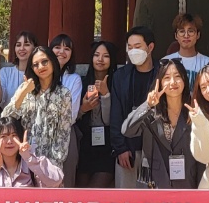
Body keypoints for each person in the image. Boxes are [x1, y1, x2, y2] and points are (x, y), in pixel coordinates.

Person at [122, 58, 200, 188]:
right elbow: (127, 130)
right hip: (154, 183)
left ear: (184, 80)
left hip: (187, 182)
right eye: (167, 78)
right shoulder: (151, 112)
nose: (173, 82)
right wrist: (147, 105)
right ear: (160, 82)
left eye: (177, 76)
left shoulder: (194, 110)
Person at [1, 45, 75, 172]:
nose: (40, 67)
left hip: (50, 162)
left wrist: (54, 165)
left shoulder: (64, 94)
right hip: (24, 158)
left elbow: (63, 133)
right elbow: (6, 118)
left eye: (44, 62)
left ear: (53, 62)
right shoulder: (25, 89)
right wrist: (23, 93)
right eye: (35, 64)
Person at [111, 26, 161, 188]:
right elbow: (116, 113)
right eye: (130, 47)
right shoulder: (120, 76)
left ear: (150, 47)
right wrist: (120, 148)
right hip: (128, 150)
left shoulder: (162, 74)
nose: (133, 51)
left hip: (157, 150)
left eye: (138, 47)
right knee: (126, 199)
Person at [0, 116, 64, 188]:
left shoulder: (33, 165)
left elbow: (56, 181)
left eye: (14, 136)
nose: (9, 141)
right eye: (3, 136)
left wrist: (28, 157)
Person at [76, 40, 117, 188]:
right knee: (81, 191)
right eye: (96, 55)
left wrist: (106, 95)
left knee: (95, 189)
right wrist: (83, 108)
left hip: (107, 145)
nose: (100, 59)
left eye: (106, 56)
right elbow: (73, 117)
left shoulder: (117, 83)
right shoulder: (81, 83)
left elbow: (109, 120)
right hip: (85, 144)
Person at [50, 33, 85, 185]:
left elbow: (72, 112)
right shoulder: (40, 76)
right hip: (40, 133)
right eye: (57, 47)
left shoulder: (74, 79)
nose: (62, 52)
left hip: (66, 133)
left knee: (66, 180)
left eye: (67, 49)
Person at [0, 30, 38, 106]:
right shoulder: (5, 72)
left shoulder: (39, 72)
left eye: (27, 45)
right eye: (18, 45)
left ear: (34, 48)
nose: (21, 48)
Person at [164, 12, 209, 85]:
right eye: (182, 31)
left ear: (198, 35)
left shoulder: (207, 63)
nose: (186, 35)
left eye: (190, 31)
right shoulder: (165, 62)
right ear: (176, 36)